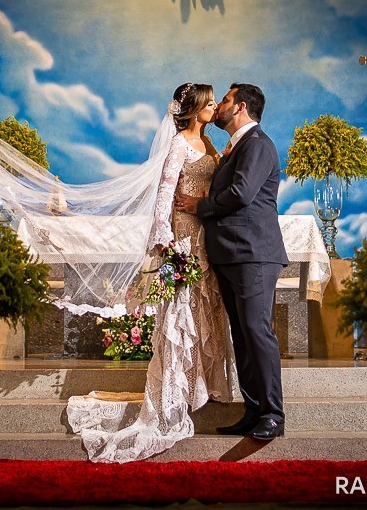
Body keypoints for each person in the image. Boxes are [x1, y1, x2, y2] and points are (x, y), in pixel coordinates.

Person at [66, 82, 239, 462]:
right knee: (181, 317)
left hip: (205, 238)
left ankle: (201, 387)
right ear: (192, 108)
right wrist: (166, 243)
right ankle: (173, 395)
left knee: (203, 312)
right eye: (208, 101)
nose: (214, 105)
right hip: (183, 238)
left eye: (215, 100)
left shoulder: (209, 145)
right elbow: (164, 195)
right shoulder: (178, 145)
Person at [176, 83, 288, 441]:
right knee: (242, 336)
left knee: (257, 332)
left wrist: (200, 206)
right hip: (232, 253)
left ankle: (273, 413)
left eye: (224, 100)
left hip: (253, 254)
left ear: (240, 107)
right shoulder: (239, 147)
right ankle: (253, 410)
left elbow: (241, 194)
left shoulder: (258, 144)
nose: (218, 106)